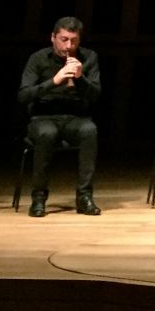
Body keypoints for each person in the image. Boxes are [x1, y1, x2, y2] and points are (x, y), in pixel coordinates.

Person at [17, 15, 102, 216]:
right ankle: (38, 198)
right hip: (43, 117)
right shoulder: (38, 58)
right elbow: (23, 95)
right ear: (53, 37)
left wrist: (80, 79)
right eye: (64, 40)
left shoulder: (89, 57)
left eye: (74, 41)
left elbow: (96, 95)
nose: (68, 46)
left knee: (90, 131)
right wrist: (54, 81)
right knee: (46, 134)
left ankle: (84, 197)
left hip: (76, 117)